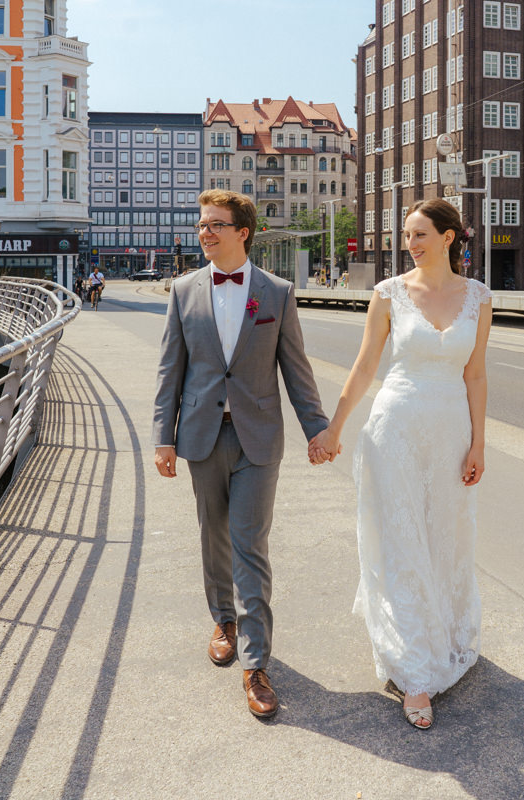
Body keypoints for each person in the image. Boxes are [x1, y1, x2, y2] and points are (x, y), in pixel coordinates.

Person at [309, 198, 492, 730]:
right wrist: (335, 428)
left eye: (419, 234)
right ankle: (415, 672)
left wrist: (479, 444)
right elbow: (366, 365)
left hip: (450, 431)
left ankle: (448, 631)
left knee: (447, 534)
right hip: (395, 429)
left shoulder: (478, 298)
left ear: (448, 237)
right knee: (404, 538)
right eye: (407, 235)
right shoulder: (388, 294)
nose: (410, 243)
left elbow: (475, 374)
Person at [152, 189, 330, 719]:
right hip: (202, 436)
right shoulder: (183, 291)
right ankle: (223, 620)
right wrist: (164, 436)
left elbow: (296, 369)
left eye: (215, 225)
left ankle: (256, 665)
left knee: (250, 544)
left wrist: (316, 429)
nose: (204, 233)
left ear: (242, 232)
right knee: (213, 534)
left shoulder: (276, 292)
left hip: (258, 439)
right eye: (202, 225)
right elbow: (170, 372)